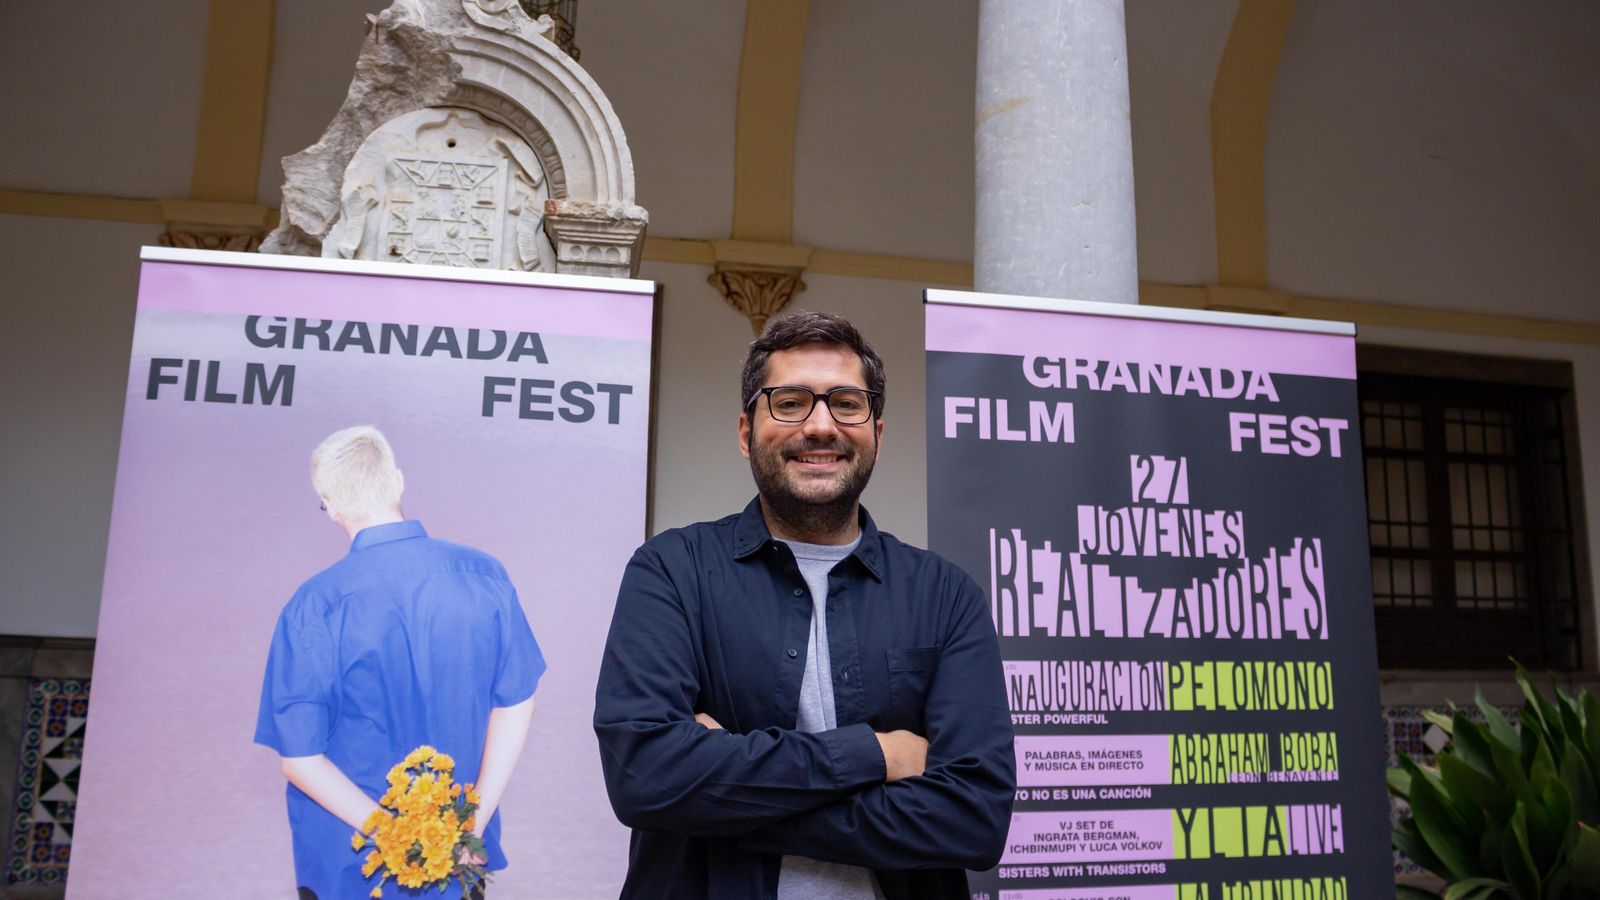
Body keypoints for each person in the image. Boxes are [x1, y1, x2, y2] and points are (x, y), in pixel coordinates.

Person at [594, 313, 1015, 899]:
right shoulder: (672, 570)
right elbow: (647, 778)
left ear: (877, 432)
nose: (821, 426)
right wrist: (877, 752)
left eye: (846, 402)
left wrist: (729, 803)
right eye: (790, 402)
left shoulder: (945, 595)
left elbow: (974, 820)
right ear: (746, 432)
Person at [255, 426, 544, 900]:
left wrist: (393, 837)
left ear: (331, 505)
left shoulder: (315, 605)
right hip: (458, 857)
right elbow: (516, 704)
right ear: (399, 481)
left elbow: (301, 761)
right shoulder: (483, 575)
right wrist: (470, 825)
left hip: (349, 866)